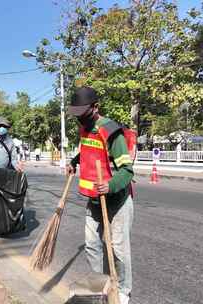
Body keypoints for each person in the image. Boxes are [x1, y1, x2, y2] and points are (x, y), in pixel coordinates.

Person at [66, 86, 134, 304]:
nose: (80, 119)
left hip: (118, 198)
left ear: (95, 108)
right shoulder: (84, 129)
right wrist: (74, 161)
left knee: (118, 249)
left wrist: (110, 185)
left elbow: (127, 170)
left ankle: (122, 290)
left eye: (83, 114)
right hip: (94, 200)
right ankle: (100, 283)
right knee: (92, 245)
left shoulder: (110, 131)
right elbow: (87, 149)